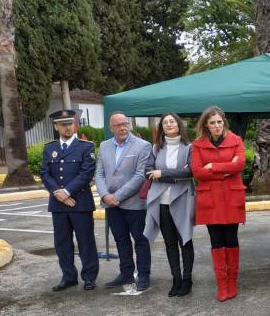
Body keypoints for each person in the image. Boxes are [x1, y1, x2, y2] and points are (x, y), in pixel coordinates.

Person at [191, 106, 246, 302]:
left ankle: (232, 282)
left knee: (231, 239)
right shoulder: (198, 145)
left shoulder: (236, 140)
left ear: (224, 122)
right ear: (206, 124)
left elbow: (240, 164)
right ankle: (222, 285)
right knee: (216, 241)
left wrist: (213, 167)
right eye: (212, 122)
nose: (216, 126)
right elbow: (197, 172)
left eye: (219, 122)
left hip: (231, 198)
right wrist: (227, 170)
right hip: (210, 199)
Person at [40, 109, 99, 291]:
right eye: (63, 124)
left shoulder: (86, 146)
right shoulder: (49, 148)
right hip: (58, 204)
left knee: (85, 241)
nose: (68, 127)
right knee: (62, 242)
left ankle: (89, 277)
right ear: (56, 126)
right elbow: (45, 173)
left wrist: (66, 192)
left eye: (70, 123)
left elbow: (86, 173)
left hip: (80, 203)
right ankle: (68, 276)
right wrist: (59, 193)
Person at [96, 112, 153, 291]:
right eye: (117, 125)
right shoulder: (104, 146)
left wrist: (117, 196)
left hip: (134, 203)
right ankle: (126, 273)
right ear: (111, 128)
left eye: (124, 124)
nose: (122, 128)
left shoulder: (143, 145)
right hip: (111, 204)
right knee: (120, 240)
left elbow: (140, 176)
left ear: (129, 125)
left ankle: (143, 275)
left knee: (140, 240)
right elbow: (99, 173)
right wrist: (105, 195)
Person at [143, 113, 196, 297]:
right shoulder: (156, 148)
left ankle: (187, 279)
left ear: (179, 124)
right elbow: (147, 172)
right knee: (170, 243)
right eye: (165, 122)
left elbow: (190, 171)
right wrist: (174, 175)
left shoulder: (189, 148)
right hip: (161, 202)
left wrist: (162, 174)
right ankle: (176, 279)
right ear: (161, 128)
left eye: (172, 121)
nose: (168, 124)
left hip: (182, 199)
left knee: (185, 240)